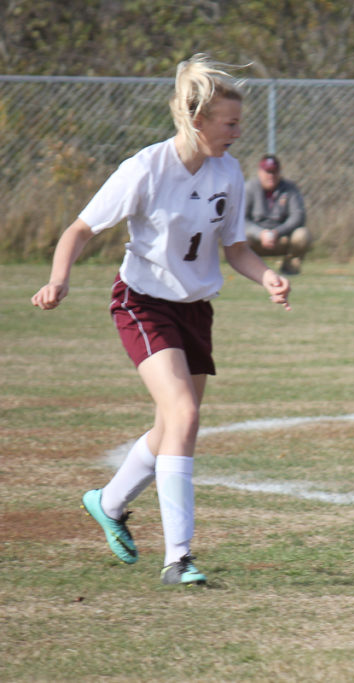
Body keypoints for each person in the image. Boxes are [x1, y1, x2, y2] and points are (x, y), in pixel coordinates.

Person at [31, 54, 292, 586]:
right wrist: (59, 279)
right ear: (197, 120)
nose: (238, 133)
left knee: (171, 425)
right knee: (184, 414)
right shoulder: (146, 168)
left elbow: (235, 248)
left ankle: (108, 503)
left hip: (195, 309)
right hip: (143, 302)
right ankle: (179, 558)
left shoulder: (227, 172)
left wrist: (266, 276)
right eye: (230, 123)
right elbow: (79, 230)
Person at [244, 153, 311, 275]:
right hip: (256, 239)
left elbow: (298, 216)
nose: (271, 176)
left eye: (274, 172)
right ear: (259, 172)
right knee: (239, 235)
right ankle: (247, 267)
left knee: (302, 234)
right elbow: (241, 219)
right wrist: (260, 233)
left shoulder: (289, 188)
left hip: (281, 238)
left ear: (279, 172)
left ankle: (290, 267)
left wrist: (277, 232)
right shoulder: (249, 188)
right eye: (267, 172)